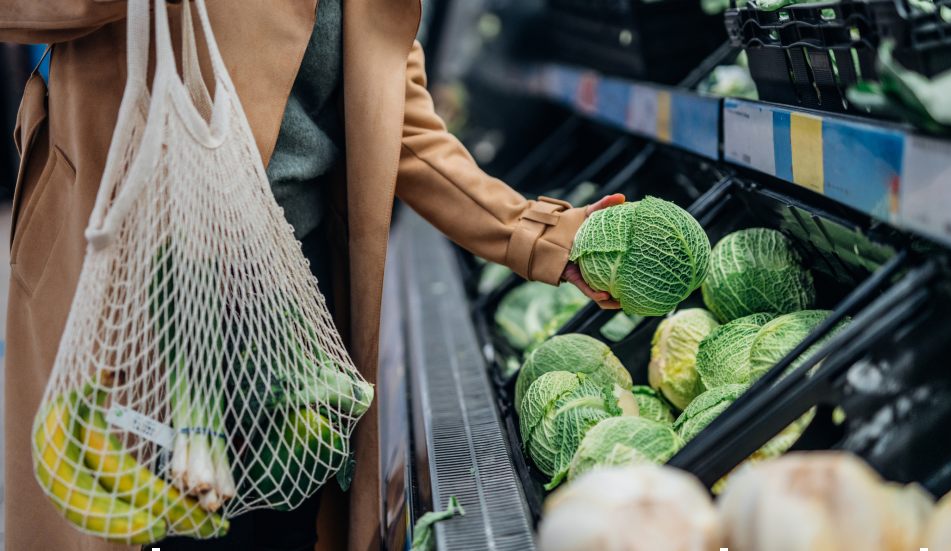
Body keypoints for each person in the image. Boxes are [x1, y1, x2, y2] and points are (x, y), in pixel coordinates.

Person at [0, 1, 622, 550]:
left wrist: (545, 236)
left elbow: (405, 132)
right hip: (137, 292)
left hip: (292, 303)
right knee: (144, 521)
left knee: (278, 527)